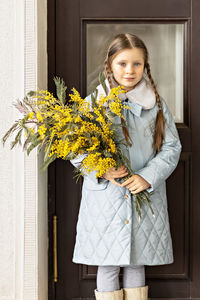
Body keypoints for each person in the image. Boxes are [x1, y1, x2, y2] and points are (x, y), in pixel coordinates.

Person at [70, 33, 182, 300]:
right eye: (122, 63)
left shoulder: (156, 105)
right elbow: (75, 149)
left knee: (136, 261)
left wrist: (147, 176)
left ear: (145, 66)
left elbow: (171, 147)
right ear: (110, 65)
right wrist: (100, 169)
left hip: (143, 194)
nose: (129, 71)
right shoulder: (93, 104)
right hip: (105, 200)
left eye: (137, 64)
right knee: (107, 262)